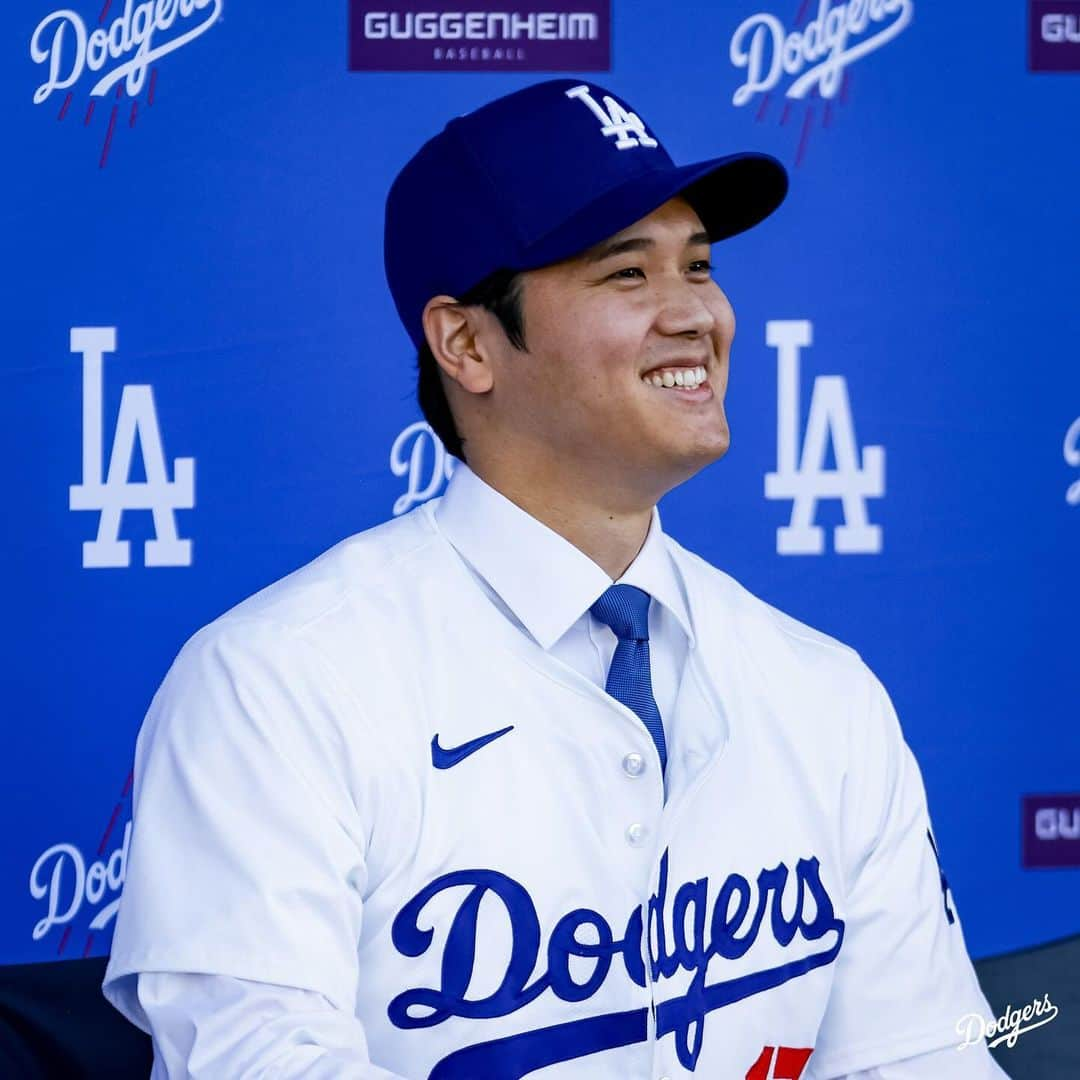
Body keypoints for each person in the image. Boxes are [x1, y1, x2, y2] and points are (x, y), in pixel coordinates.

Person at [102, 79, 1007, 1079]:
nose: (696, 316)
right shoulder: (273, 686)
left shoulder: (826, 693)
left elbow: (926, 1058)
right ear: (468, 343)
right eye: (626, 275)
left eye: (699, 268)